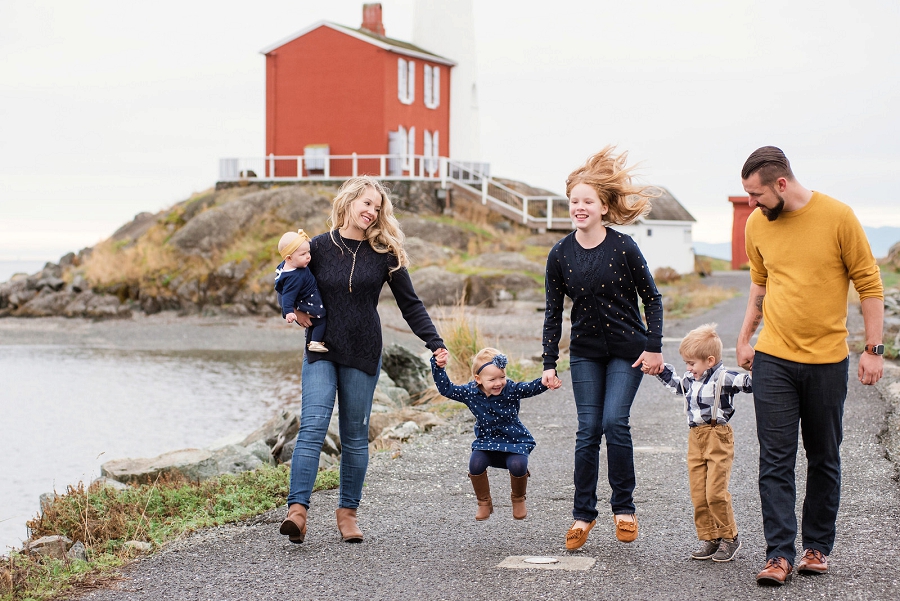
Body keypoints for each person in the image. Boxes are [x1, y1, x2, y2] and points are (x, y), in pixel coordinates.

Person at [736, 146, 884, 586]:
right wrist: (745, 338)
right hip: (774, 359)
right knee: (775, 460)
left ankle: (816, 546)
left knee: (823, 457)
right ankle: (778, 554)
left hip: (826, 362)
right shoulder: (757, 224)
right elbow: (760, 285)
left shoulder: (838, 217)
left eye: (756, 194)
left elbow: (869, 284)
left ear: (781, 184)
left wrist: (873, 349)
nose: (751, 204)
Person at [278, 175, 449, 545]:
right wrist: (293, 311)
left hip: (363, 349)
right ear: (349, 201)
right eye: (366, 203)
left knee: (355, 436)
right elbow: (286, 277)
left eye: (377, 207)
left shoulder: (386, 253)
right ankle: (298, 511)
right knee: (313, 426)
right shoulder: (318, 247)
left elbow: (410, 304)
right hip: (321, 348)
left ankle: (348, 512)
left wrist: (434, 341)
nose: (371, 212)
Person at [541, 146, 664, 551]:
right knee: (587, 431)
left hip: (628, 352)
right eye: (574, 201)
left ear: (604, 207)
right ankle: (582, 515)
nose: (579, 207)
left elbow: (653, 298)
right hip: (586, 353)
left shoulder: (624, 247)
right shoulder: (560, 254)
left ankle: (624, 509)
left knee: (615, 422)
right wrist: (549, 363)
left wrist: (654, 347)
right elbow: (553, 312)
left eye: (587, 201)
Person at [646, 323, 752, 562]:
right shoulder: (690, 379)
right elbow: (676, 385)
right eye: (686, 363)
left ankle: (729, 536)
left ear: (710, 360)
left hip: (718, 437)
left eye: (692, 363)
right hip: (695, 438)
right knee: (699, 493)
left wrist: (758, 367)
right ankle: (710, 537)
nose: (688, 368)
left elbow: (749, 384)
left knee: (715, 492)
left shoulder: (725, 378)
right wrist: (659, 371)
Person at [431, 347, 558, 521]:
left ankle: (518, 498)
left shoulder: (511, 389)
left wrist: (546, 382)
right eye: (492, 379)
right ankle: (484, 502)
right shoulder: (470, 392)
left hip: (514, 440)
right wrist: (438, 367)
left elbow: (529, 388)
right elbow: (447, 389)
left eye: (502, 377)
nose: (498, 383)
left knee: (518, 465)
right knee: (475, 464)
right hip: (487, 442)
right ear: (478, 379)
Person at [275, 229, 328, 353]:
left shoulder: (285, 266)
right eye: (303, 254)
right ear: (289, 258)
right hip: (308, 302)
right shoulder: (295, 277)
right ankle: (315, 342)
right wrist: (289, 312)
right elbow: (287, 295)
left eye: (308, 252)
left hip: (305, 300)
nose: (308, 256)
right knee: (321, 320)